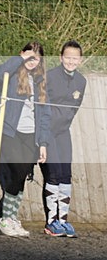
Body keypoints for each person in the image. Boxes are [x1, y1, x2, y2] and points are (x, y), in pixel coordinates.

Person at [0, 41, 51, 237]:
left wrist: (43, 143)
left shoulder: (41, 82)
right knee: (19, 169)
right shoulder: (12, 74)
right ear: (22, 54)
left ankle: (12, 217)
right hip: (10, 132)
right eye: (29, 56)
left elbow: (45, 115)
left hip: (32, 135)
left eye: (36, 58)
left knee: (22, 176)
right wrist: (20, 59)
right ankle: (5, 218)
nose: (32, 61)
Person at [40, 40, 86, 237]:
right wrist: (42, 140)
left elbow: (74, 109)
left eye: (74, 58)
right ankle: (51, 222)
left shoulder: (81, 81)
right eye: (67, 57)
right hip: (48, 131)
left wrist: (63, 124)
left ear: (80, 60)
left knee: (66, 175)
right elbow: (41, 109)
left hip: (63, 132)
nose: (70, 61)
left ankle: (63, 220)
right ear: (61, 57)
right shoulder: (49, 77)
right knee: (53, 174)